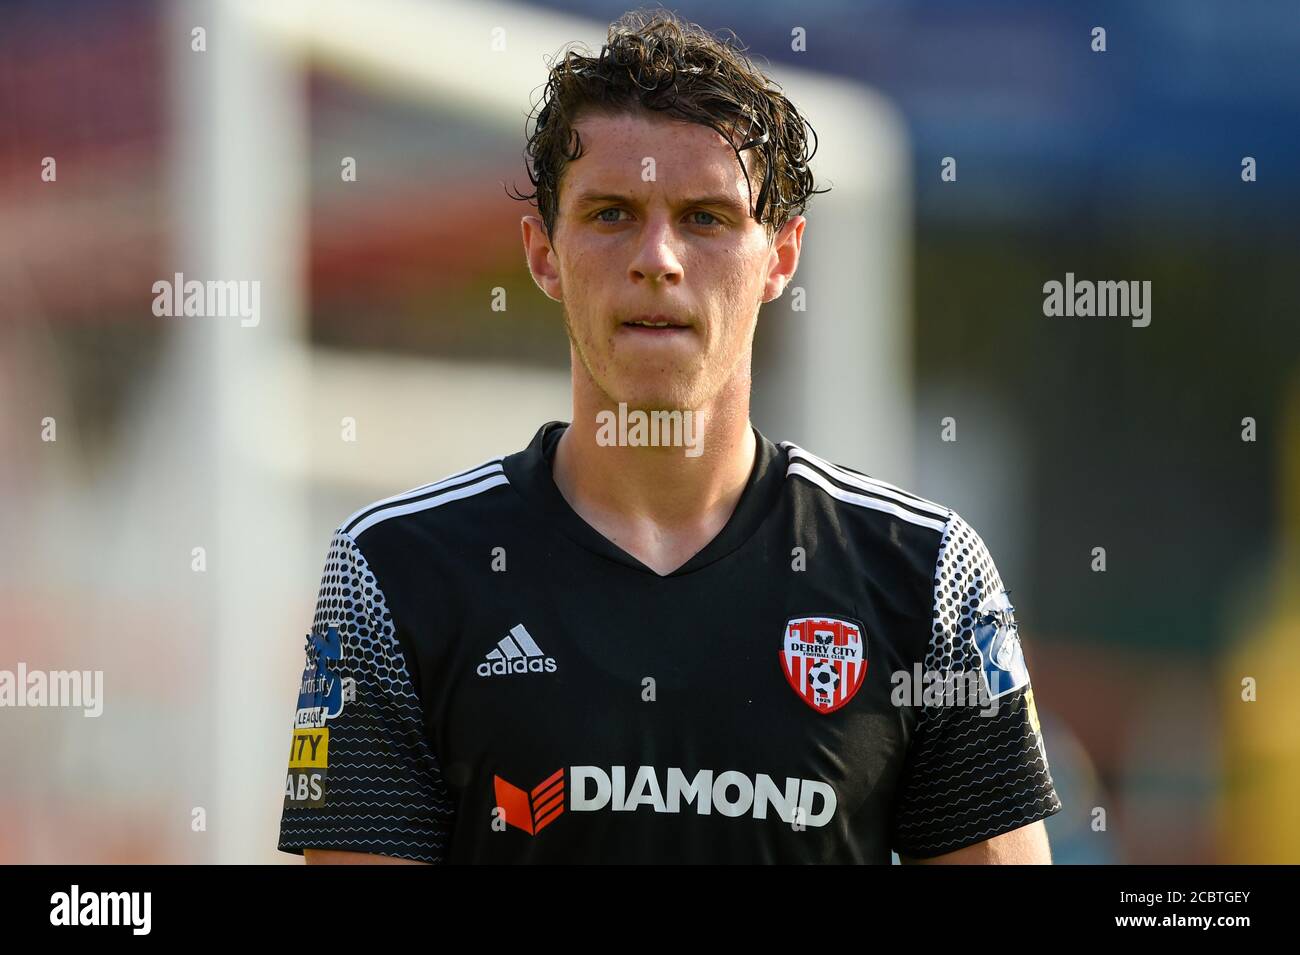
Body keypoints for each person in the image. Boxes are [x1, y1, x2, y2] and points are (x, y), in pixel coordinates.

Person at [277, 8, 1060, 864]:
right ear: (542, 253)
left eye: (706, 218)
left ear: (781, 257)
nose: (659, 258)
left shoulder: (926, 574)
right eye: (612, 214)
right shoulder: (395, 570)